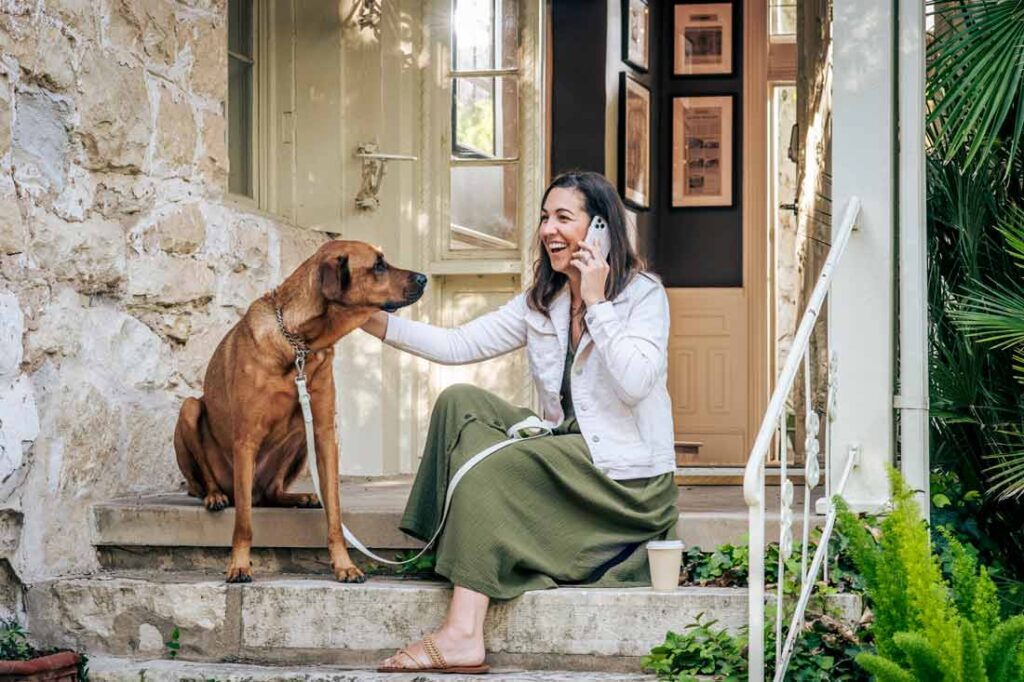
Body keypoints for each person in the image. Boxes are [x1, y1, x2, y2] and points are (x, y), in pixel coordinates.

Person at [361, 170, 678, 674]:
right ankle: (451, 542)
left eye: (564, 218)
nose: (549, 229)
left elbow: (637, 383)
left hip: (625, 479)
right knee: (459, 401)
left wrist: (597, 304)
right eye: (544, 218)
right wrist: (362, 316)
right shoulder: (543, 301)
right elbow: (458, 345)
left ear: (600, 229)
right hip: (568, 451)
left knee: (494, 470)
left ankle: (463, 634)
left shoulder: (642, 297)